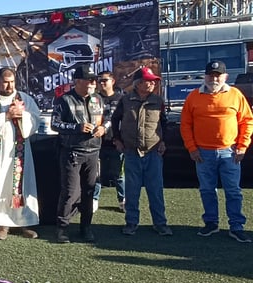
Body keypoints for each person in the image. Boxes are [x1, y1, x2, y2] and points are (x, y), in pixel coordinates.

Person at [180, 60, 253, 243]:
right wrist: (192, 148)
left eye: (218, 75)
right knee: (207, 190)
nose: (214, 78)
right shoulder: (193, 97)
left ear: (225, 77)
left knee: (233, 191)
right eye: (211, 75)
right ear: (205, 76)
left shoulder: (235, 95)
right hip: (203, 153)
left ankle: (236, 226)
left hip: (230, 152)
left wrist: (242, 146)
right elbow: (186, 125)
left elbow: (247, 121)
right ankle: (211, 223)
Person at [0, 68, 41, 240]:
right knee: (0, 186)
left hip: (19, 153)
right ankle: (2, 224)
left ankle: (23, 223)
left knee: (21, 185)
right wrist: (6, 115)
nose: (9, 85)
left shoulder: (24, 98)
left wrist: (23, 116)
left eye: (12, 81)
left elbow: (36, 119)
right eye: (6, 81)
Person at [111, 67, 172, 236]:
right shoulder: (125, 100)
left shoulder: (158, 101)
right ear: (138, 84)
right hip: (131, 151)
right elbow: (115, 120)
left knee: (156, 190)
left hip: (153, 151)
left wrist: (163, 142)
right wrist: (117, 139)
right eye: (148, 80)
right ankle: (131, 223)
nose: (152, 83)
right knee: (132, 191)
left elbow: (165, 124)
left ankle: (160, 223)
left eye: (153, 81)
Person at [51, 64, 104, 243]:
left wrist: (104, 128)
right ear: (77, 81)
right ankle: (62, 229)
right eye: (89, 80)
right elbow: (55, 125)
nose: (92, 83)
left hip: (94, 151)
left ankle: (86, 227)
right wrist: (77, 127)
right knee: (70, 192)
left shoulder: (98, 99)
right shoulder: (64, 100)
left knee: (89, 191)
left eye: (94, 80)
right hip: (72, 152)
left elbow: (109, 118)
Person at [92, 71, 126, 212]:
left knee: (118, 174)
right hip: (96, 142)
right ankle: (94, 199)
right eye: (99, 81)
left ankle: (123, 199)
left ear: (113, 81)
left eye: (105, 80)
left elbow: (117, 120)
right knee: (96, 174)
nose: (102, 83)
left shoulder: (121, 99)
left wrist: (121, 139)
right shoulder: (94, 98)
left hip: (116, 142)